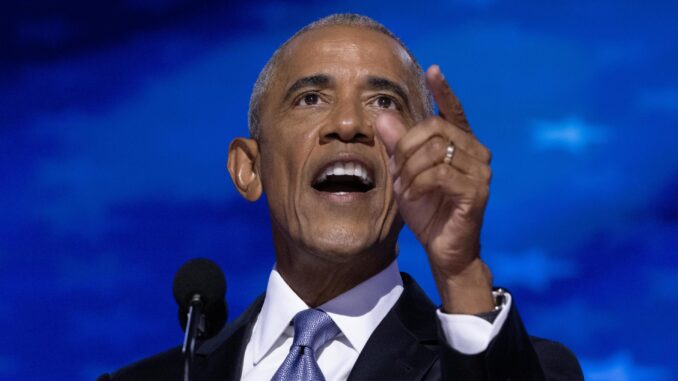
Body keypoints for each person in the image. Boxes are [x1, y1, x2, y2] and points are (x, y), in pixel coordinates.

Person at [99, 13, 583, 381]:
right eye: (310, 98)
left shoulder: (521, 366)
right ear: (249, 168)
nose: (348, 125)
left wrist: (462, 276)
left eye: (383, 102)